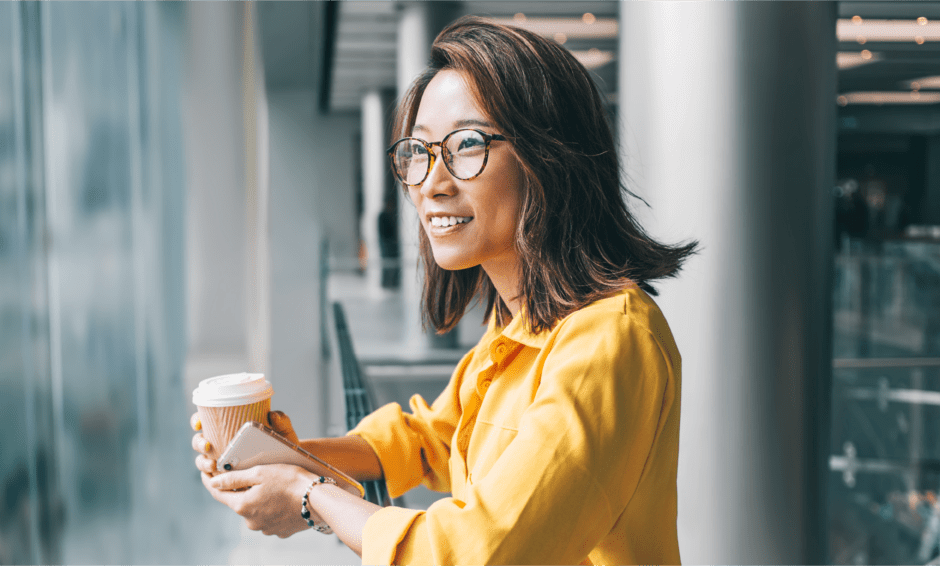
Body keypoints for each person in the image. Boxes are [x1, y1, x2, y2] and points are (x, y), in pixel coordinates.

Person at [191, 15, 696, 565]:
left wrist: (310, 498)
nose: (432, 181)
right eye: (420, 151)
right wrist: (292, 455)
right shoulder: (519, 324)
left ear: (550, 158)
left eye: (467, 144)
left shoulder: (609, 340)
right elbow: (430, 437)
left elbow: (475, 553)